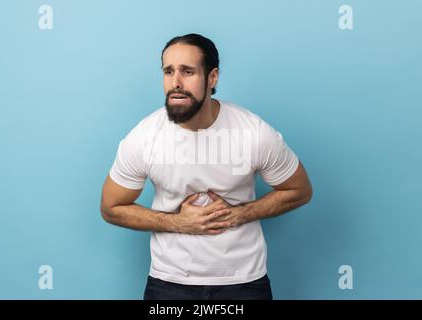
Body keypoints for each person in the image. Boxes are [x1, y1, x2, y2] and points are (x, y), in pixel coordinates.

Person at [100, 33, 313, 300]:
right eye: (168, 71)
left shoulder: (253, 133)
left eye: (187, 71)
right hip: (169, 284)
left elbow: (300, 190)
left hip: (244, 283)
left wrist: (238, 215)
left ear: (212, 78)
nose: (175, 83)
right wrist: (178, 223)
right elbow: (111, 207)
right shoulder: (145, 137)